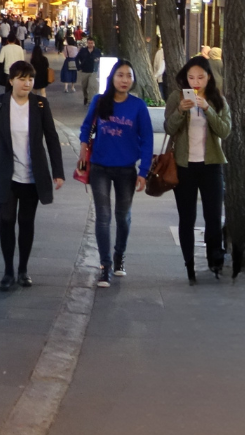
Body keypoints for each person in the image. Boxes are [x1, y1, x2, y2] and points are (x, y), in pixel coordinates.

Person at [0, 62, 65, 290]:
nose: (27, 83)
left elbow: (52, 139)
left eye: (30, 79)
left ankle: (23, 269)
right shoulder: (0, 104)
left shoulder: (41, 104)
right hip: (7, 174)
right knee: (6, 220)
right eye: (22, 78)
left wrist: (58, 172)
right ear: (11, 80)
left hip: (33, 175)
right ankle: (7, 271)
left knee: (26, 222)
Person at [79, 61, 154, 288]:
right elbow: (86, 127)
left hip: (126, 170)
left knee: (123, 216)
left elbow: (148, 139)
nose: (124, 80)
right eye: (120, 75)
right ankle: (105, 266)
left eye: (128, 76)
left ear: (133, 80)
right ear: (112, 78)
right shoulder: (100, 101)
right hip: (99, 167)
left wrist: (144, 171)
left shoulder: (138, 106)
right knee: (103, 216)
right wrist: (83, 149)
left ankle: (119, 254)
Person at [164, 58, 231, 283]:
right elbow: (168, 128)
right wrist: (181, 111)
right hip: (184, 166)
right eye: (191, 78)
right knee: (187, 217)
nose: (195, 82)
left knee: (213, 216)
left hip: (211, 165)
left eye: (200, 77)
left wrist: (208, 109)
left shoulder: (217, 100)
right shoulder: (177, 97)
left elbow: (225, 131)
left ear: (209, 77)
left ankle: (215, 259)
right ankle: (189, 264)